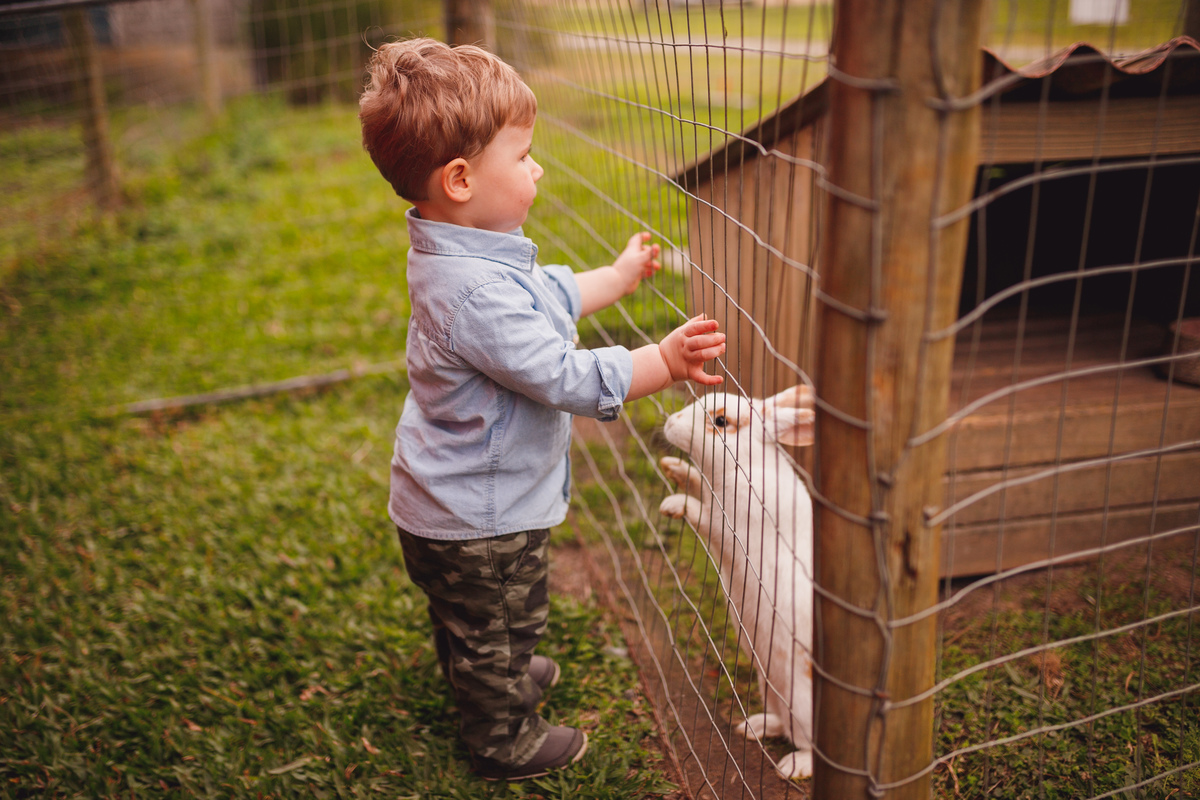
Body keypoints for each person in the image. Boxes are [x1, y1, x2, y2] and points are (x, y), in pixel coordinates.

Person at [358, 37, 725, 781]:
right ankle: (503, 738)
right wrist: (662, 362)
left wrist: (617, 278)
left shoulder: (463, 253)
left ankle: (486, 664)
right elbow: (561, 373)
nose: (538, 168)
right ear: (460, 179)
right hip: (479, 520)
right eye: (522, 156)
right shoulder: (475, 291)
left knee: (474, 616)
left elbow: (547, 294)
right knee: (500, 613)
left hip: (450, 501)